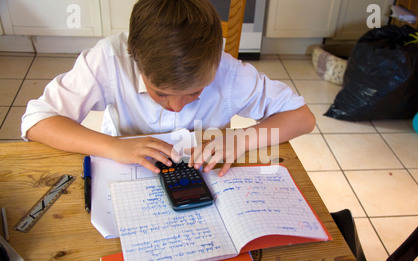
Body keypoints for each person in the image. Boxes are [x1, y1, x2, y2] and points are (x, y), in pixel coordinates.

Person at [21, 0, 315, 177]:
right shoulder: (109, 59)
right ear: (133, 58)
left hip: (202, 175)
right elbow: (36, 121)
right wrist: (111, 145)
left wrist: (241, 140)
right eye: (160, 93)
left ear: (216, 62)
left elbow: (302, 117)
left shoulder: (228, 71)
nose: (177, 107)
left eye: (195, 91)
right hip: (126, 169)